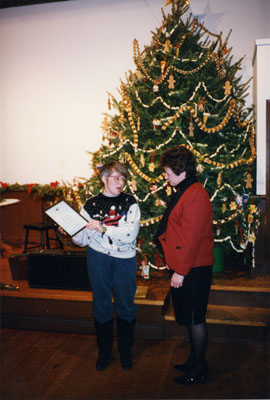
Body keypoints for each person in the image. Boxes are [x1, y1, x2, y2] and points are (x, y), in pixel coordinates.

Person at [71, 161, 141, 371]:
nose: (121, 183)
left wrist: (103, 229)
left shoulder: (131, 202)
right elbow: (82, 240)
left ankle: (126, 353)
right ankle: (105, 353)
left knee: (126, 305)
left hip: (124, 260)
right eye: (116, 178)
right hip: (98, 258)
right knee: (101, 304)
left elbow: (130, 235)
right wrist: (72, 230)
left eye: (123, 179)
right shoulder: (90, 204)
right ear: (104, 179)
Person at [154, 146, 214, 385]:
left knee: (195, 318)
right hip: (189, 266)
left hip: (193, 268)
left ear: (180, 170)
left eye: (168, 171)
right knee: (191, 317)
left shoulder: (195, 194)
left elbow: (191, 239)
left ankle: (199, 368)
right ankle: (195, 361)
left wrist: (180, 271)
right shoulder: (186, 189)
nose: (166, 176)